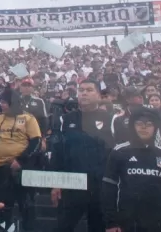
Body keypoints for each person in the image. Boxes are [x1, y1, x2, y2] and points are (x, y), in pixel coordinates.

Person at [49, 80, 115, 232]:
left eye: (89, 90)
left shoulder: (111, 119)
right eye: (81, 90)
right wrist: (55, 183)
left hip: (100, 184)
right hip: (72, 182)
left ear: (99, 96)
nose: (84, 93)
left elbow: (116, 155)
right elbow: (57, 153)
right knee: (63, 227)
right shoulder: (65, 119)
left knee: (97, 227)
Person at [101, 107, 161, 232]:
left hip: (158, 223)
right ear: (133, 126)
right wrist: (111, 222)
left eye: (149, 124)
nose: (144, 127)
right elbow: (109, 189)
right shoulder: (119, 151)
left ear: (155, 127)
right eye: (139, 124)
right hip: (126, 222)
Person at [0, 90, 41, 231]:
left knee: (26, 204)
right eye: (1, 102)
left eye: (4, 102)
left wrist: (20, 160)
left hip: (22, 168)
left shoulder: (28, 118)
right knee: (3, 204)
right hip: (1, 166)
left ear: (13, 104)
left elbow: (36, 142)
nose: (2, 105)